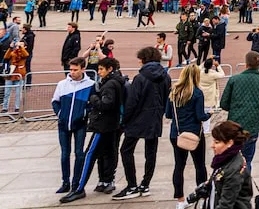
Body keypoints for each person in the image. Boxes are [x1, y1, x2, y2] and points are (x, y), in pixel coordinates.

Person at [61, 57, 127, 203]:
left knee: (89, 155)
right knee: (108, 153)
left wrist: (94, 99)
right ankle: (106, 180)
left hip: (103, 125)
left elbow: (106, 104)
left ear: (109, 69)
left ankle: (79, 188)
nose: (99, 72)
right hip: (112, 125)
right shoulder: (116, 82)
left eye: (101, 69)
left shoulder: (110, 85)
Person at [114, 46, 171, 200]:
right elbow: (167, 97)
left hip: (138, 119)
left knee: (126, 150)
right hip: (155, 118)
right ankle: (145, 184)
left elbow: (132, 102)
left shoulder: (140, 78)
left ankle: (132, 185)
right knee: (151, 153)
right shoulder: (166, 77)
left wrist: (124, 120)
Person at [219, 51, 259, 172]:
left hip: (234, 124)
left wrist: (235, 108)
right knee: (247, 160)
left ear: (246, 64)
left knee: (232, 158)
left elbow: (224, 103)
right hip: (253, 125)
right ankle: (245, 186)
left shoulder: (234, 80)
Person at [166, 64, 210, 209]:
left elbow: (168, 115)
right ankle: (202, 196)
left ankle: (180, 199)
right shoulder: (197, 93)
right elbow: (200, 116)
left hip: (177, 133)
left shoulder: (174, 91)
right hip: (194, 134)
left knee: (179, 166)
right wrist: (208, 115)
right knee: (200, 165)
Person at [52, 57, 95, 195]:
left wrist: (84, 113)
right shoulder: (62, 84)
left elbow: (93, 104)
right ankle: (65, 182)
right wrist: (60, 114)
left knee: (79, 153)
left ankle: (76, 182)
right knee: (65, 154)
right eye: (71, 69)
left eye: (75, 70)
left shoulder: (91, 85)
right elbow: (55, 101)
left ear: (83, 69)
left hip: (80, 124)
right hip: (63, 124)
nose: (72, 72)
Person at [205, 120, 254, 209]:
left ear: (230, 143)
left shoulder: (233, 169)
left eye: (217, 142)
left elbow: (226, 204)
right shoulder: (225, 159)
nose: (212, 145)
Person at [2, 39, 28, 113]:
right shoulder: (13, 52)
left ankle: (17, 107)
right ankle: (5, 107)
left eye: (22, 44)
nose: (19, 45)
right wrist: (10, 48)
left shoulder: (24, 52)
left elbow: (25, 55)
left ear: (25, 46)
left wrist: (20, 47)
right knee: (7, 92)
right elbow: (6, 57)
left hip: (19, 75)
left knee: (18, 93)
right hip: (11, 74)